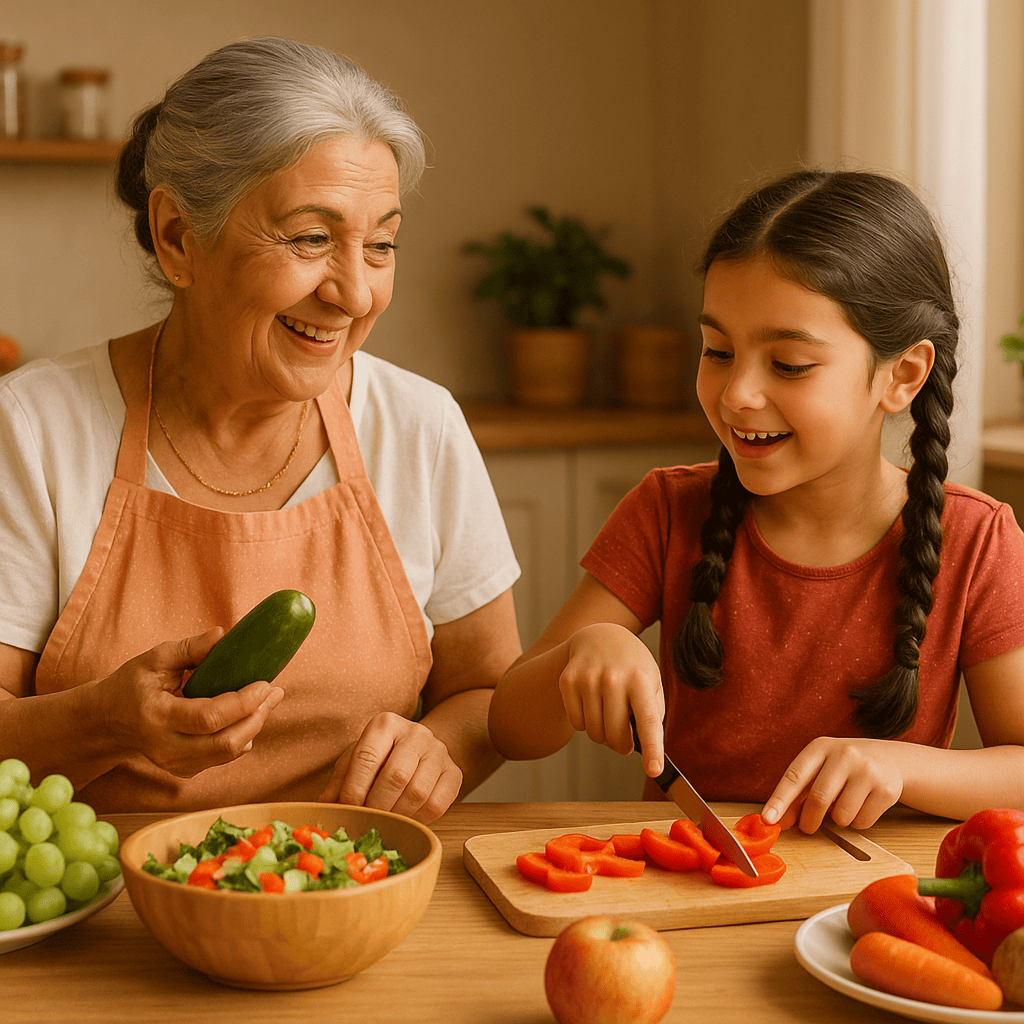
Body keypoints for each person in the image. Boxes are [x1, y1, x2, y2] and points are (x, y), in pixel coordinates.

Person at [0, 38, 522, 821]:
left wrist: (438, 748)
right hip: (102, 905)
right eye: (311, 239)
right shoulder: (34, 428)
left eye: (381, 244)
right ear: (178, 236)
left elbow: (486, 690)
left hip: (351, 892)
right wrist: (103, 720)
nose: (354, 293)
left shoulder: (420, 428)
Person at [488, 169, 1024, 833]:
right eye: (718, 350)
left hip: (871, 905)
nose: (738, 392)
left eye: (789, 364)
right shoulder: (666, 510)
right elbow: (510, 726)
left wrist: (902, 767)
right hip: (689, 889)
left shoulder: (976, 540)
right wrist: (580, 653)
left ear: (901, 375)